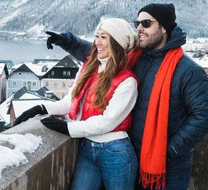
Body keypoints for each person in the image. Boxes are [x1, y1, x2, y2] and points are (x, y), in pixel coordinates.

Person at [45, 4, 208, 190]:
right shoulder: (136, 57)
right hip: (133, 154)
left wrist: (170, 150)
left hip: (167, 166)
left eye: (146, 23)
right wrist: (68, 42)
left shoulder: (188, 70)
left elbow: (204, 116)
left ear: (164, 28)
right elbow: (103, 52)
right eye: (137, 23)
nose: (139, 28)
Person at [14, 18, 139, 190]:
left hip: (115, 152)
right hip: (87, 147)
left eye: (104, 37)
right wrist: (44, 108)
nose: (97, 42)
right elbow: (72, 101)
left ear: (117, 44)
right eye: (97, 36)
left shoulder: (127, 81)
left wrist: (67, 128)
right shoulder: (89, 67)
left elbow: (107, 121)